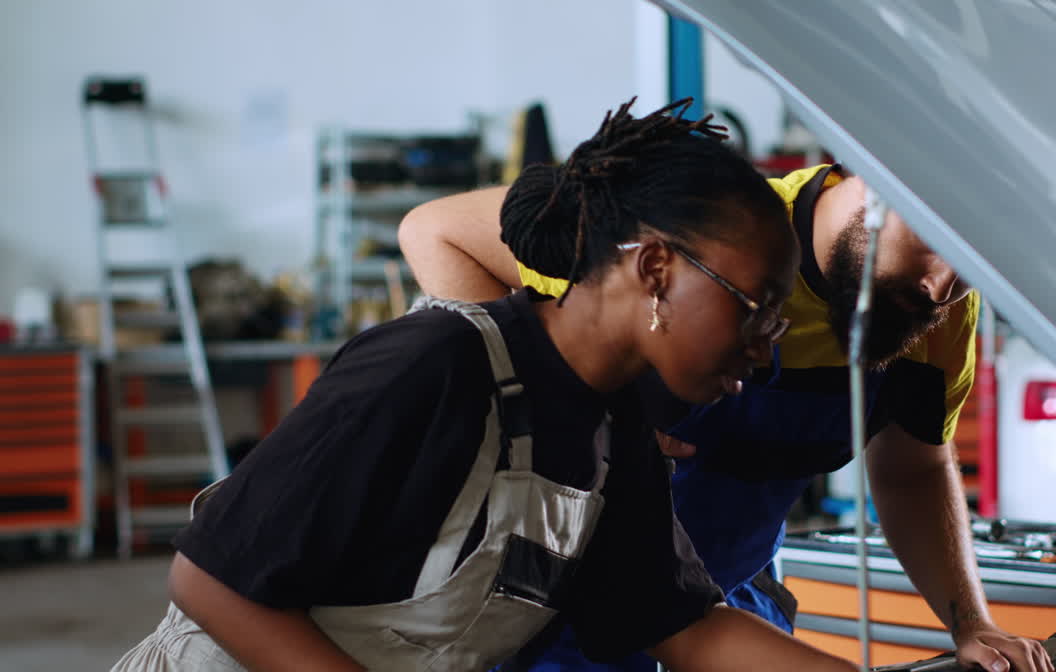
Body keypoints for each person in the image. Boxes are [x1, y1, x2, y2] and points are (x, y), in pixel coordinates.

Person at [111, 99, 863, 672]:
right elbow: (209, 581)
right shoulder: (434, 364)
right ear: (656, 270)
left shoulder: (613, 431)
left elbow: (686, 630)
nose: (767, 348)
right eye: (757, 308)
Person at [400, 152, 1055, 672]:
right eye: (935, 242)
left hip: (722, 606)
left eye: (975, 267)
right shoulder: (703, 234)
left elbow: (913, 471)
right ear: (866, 172)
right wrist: (563, 416)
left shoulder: (929, 309)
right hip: (559, 617)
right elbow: (436, 233)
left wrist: (971, 622)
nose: (940, 287)